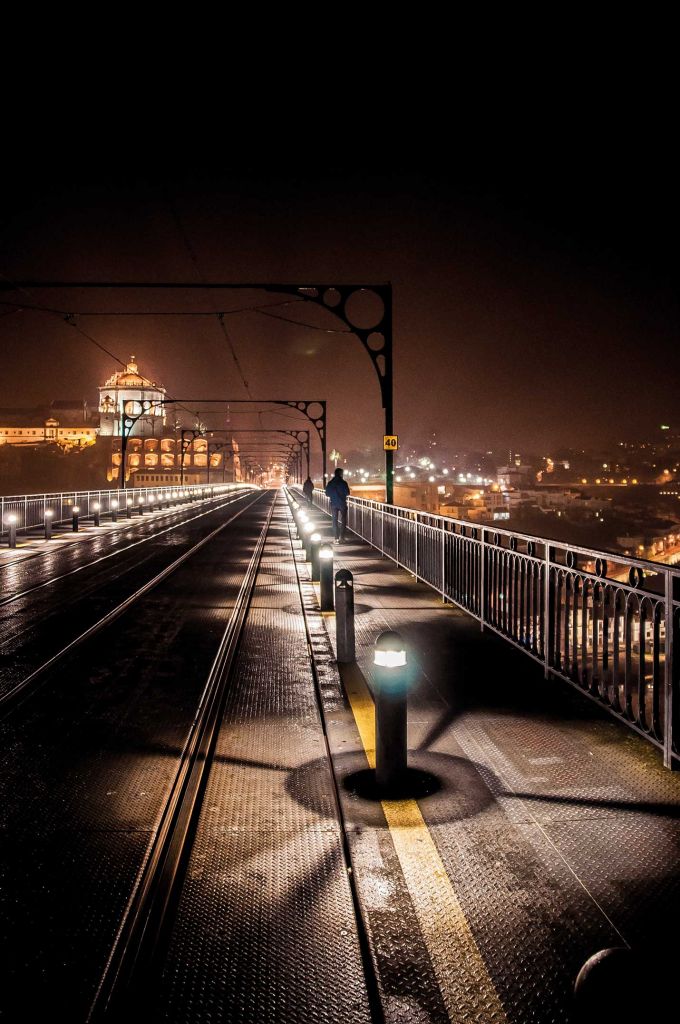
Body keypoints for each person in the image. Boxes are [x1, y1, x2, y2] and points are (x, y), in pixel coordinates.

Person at [325, 467, 350, 542]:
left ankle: (336, 537)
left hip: (333, 504)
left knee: (334, 521)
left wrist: (333, 495)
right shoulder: (343, 483)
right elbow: (347, 493)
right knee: (343, 520)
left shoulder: (330, 483)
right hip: (342, 503)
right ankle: (342, 537)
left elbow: (327, 493)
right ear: (340, 474)